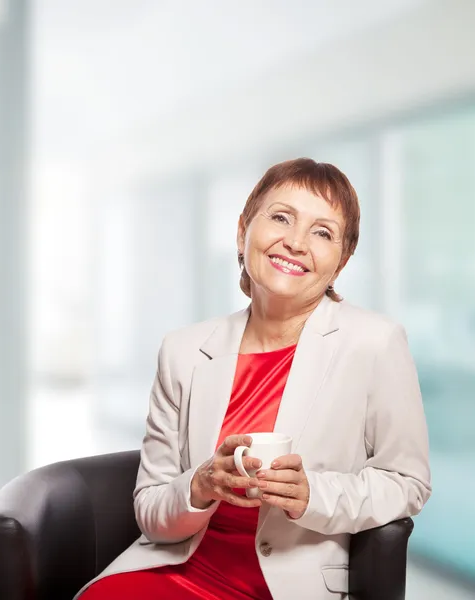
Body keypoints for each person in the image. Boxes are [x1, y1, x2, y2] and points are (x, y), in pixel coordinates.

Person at [76, 158, 431, 600]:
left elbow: (407, 480)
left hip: (291, 582)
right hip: (180, 567)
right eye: (281, 217)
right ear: (243, 231)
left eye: (323, 232)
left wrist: (312, 494)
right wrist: (201, 484)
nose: (296, 242)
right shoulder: (182, 351)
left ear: (341, 261)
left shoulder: (375, 343)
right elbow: (151, 510)